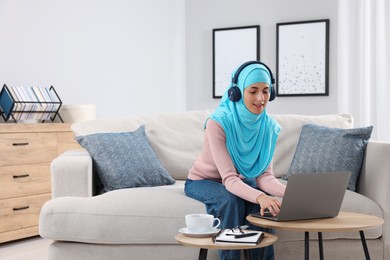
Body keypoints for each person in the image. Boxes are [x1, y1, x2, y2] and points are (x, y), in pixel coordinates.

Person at [184, 61, 286, 260]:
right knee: (230, 200)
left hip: (239, 181)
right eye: (253, 91)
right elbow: (229, 179)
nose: (261, 98)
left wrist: (294, 195)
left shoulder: (269, 126)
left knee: (262, 207)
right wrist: (260, 196)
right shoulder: (218, 122)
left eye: (266, 91)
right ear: (236, 92)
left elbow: (264, 177)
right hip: (203, 181)